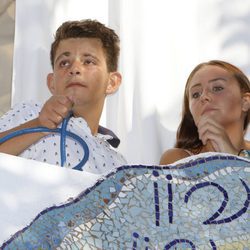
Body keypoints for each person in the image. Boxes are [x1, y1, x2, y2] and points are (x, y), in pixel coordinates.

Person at [0, 19, 127, 173]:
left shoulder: (118, 164)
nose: (75, 69)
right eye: (64, 63)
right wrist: (38, 124)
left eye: (88, 61)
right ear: (52, 82)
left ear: (112, 82)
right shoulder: (31, 112)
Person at [160, 60, 250, 165]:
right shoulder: (178, 160)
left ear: (245, 102)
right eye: (196, 94)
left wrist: (232, 154)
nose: (204, 97)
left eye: (217, 88)